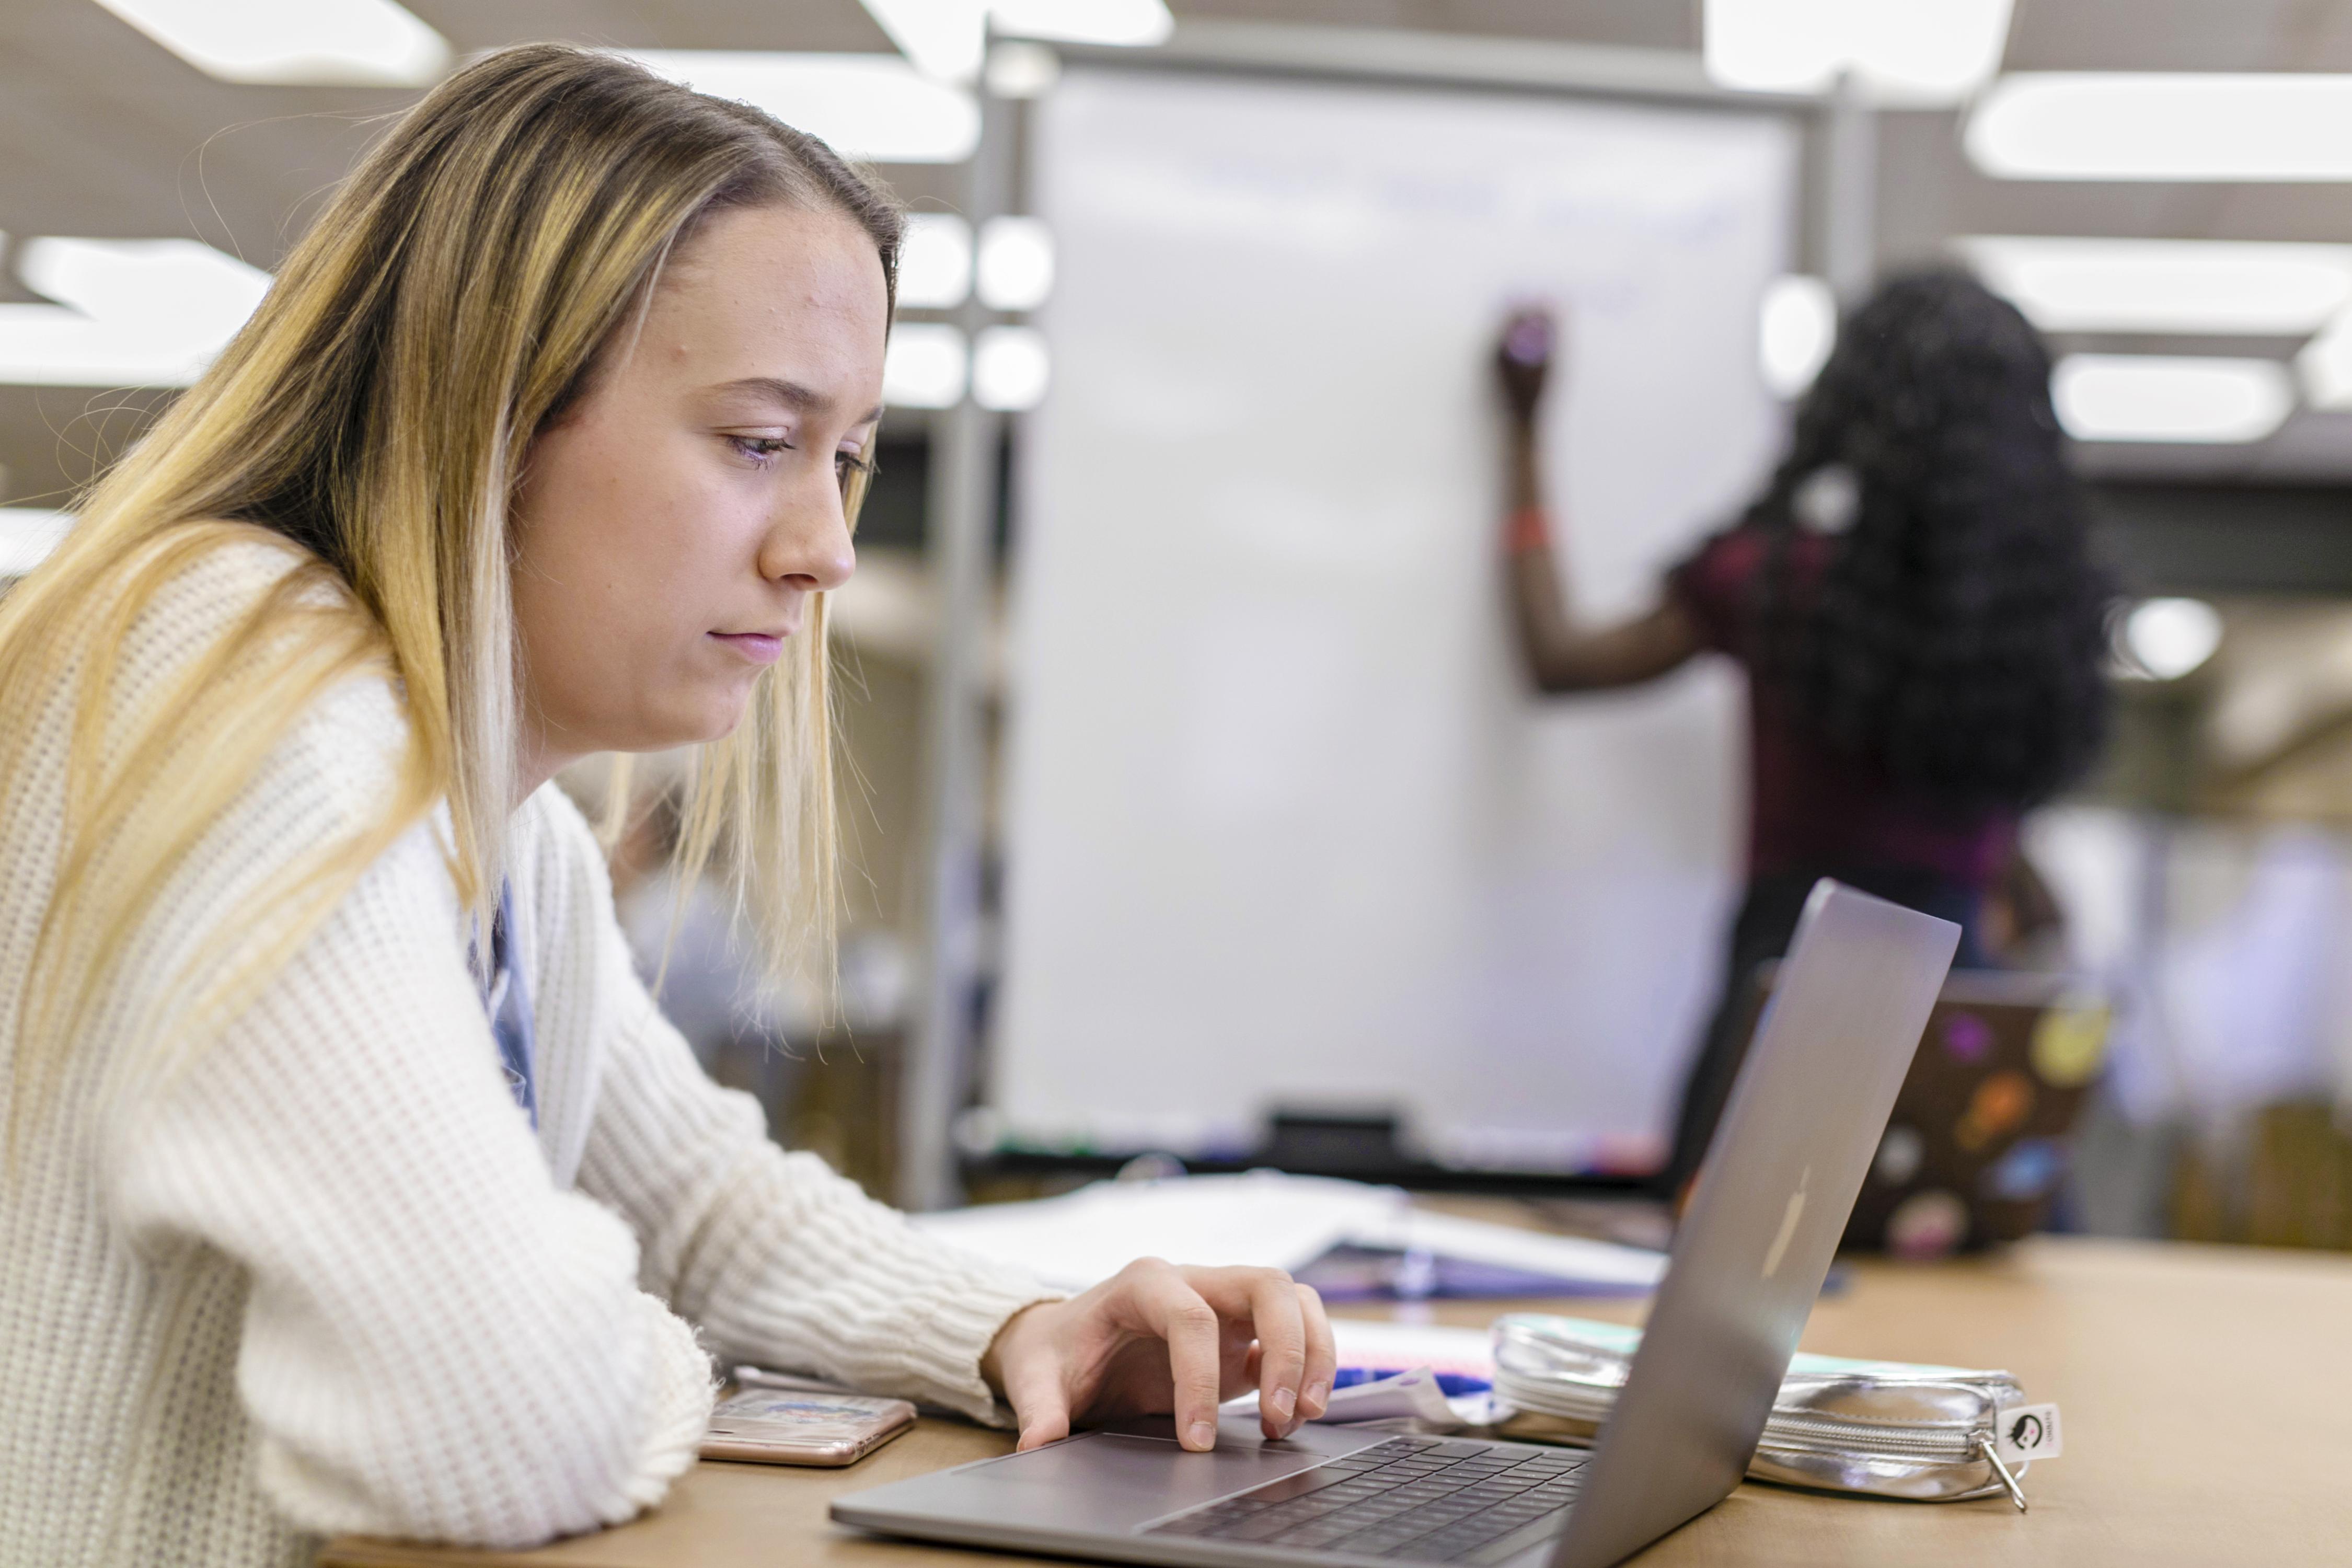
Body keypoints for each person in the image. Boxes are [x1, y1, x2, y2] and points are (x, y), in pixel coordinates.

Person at [0, 46, 1332, 1568]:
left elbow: (705, 1216)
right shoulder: (234, 675)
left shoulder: (513, 834)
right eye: (759, 443)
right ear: (483, 405)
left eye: (842, 459)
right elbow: (487, 1424)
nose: (825, 548)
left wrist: (1029, 1327)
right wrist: (651, 1346)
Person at [1495, 271, 2113, 1191]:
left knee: (1730, 1308)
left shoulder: (1783, 586)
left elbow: (1560, 657)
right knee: (1975, 1321)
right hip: (1965, 1031)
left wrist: (1523, 428)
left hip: (1786, 1011)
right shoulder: (2032, 619)